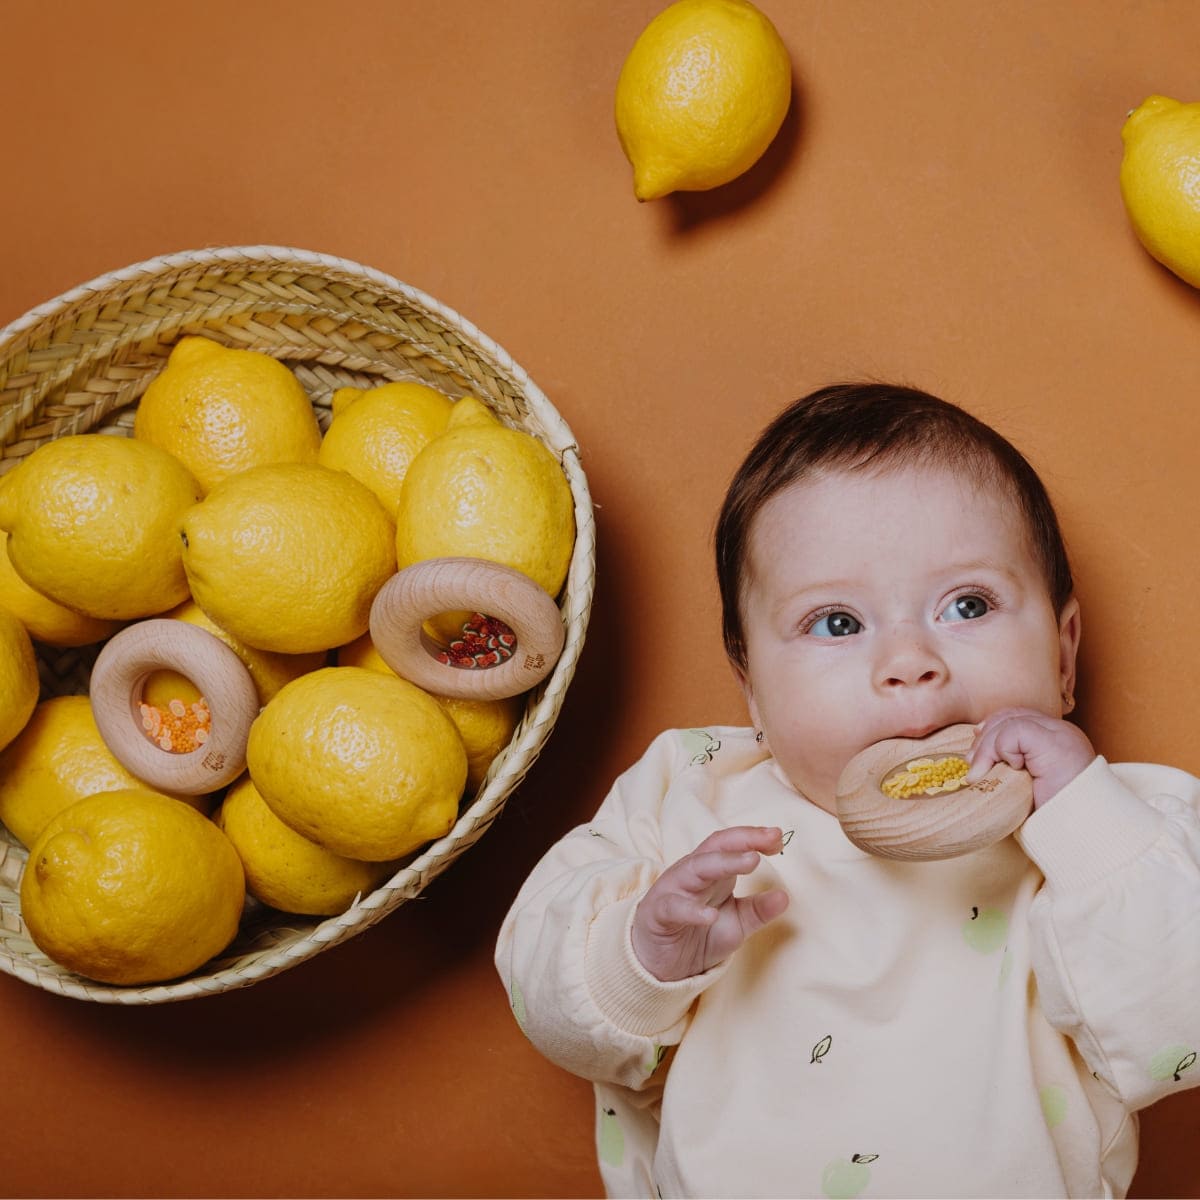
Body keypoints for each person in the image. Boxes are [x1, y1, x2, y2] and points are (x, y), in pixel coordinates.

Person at [494, 383, 1200, 1199]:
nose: (908, 660)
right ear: (751, 686)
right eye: (836, 623)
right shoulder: (692, 794)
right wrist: (639, 956)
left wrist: (1084, 819)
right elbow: (551, 1004)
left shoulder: (1117, 831)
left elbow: (1180, 1033)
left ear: (1064, 655)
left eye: (967, 605)